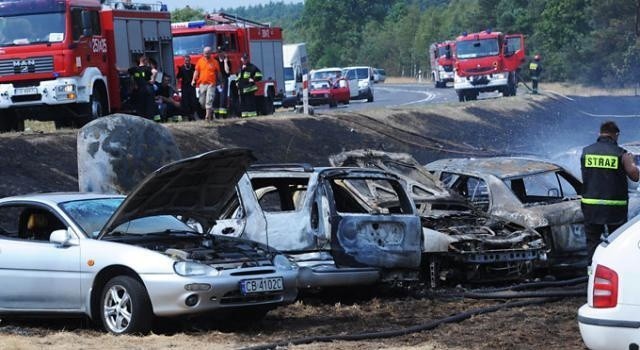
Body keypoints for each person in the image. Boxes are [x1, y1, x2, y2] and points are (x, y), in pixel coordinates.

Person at [581, 121, 639, 262]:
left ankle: (591, 270)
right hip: (615, 207)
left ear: (600, 133)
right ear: (616, 135)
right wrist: (630, 161)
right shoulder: (622, 154)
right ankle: (613, 269)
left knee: (592, 242)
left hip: (591, 206)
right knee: (616, 242)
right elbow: (635, 176)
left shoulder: (586, 151)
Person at [191, 46, 221, 121]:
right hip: (202, 84)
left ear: (210, 53)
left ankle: (207, 117)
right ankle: (211, 111)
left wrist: (220, 81)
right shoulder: (200, 61)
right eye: (204, 53)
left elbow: (218, 73)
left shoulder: (215, 62)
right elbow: (196, 71)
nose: (206, 55)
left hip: (211, 84)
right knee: (202, 102)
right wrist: (193, 80)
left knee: (209, 99)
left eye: (207, 53)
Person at [127, 54, 155, 119]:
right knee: (149, 107)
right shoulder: (148, 69)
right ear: (142, 60)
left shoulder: (133, 69)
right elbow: (152, 79)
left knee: (141, 108)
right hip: (148, 90)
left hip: (139, 91)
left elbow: (125, 72)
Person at [237, 53, 263, 118]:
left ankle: (252, 115)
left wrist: (254, 79)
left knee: (250, 103)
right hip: (242, 89)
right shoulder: (240, 68)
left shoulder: (252, 67)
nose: (245, 60)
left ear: (248, 59)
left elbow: (259, 75)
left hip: (249, 88)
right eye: (243, 58)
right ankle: (244, 116)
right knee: (243, 103)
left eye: (246, 58)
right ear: (241, 59)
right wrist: (237, 83)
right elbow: (238, 76)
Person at [176, 55, 198, 120]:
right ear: (184, 61)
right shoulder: (182, 68)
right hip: (184, 87)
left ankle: (194, 114)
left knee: (193, 101)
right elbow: (178, 78)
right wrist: (177, 87)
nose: (187, 62)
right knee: (185, 101)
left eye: (188, 60)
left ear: (190, 60)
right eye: (186, 60)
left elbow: (197, 74)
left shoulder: (194, 67)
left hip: (192, 86)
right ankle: (187, 116)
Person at [213, 49, 232, 118]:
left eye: (221, 52)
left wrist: (225, 62)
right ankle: (216, 115)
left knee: (223, 97)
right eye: (218, 52)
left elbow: (227, 72)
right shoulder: (215, 60)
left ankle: (224, 115)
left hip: (224, 80)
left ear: (224, 52)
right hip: (216, 80)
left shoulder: (227, 61)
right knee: (216, 97)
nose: (220, 53)